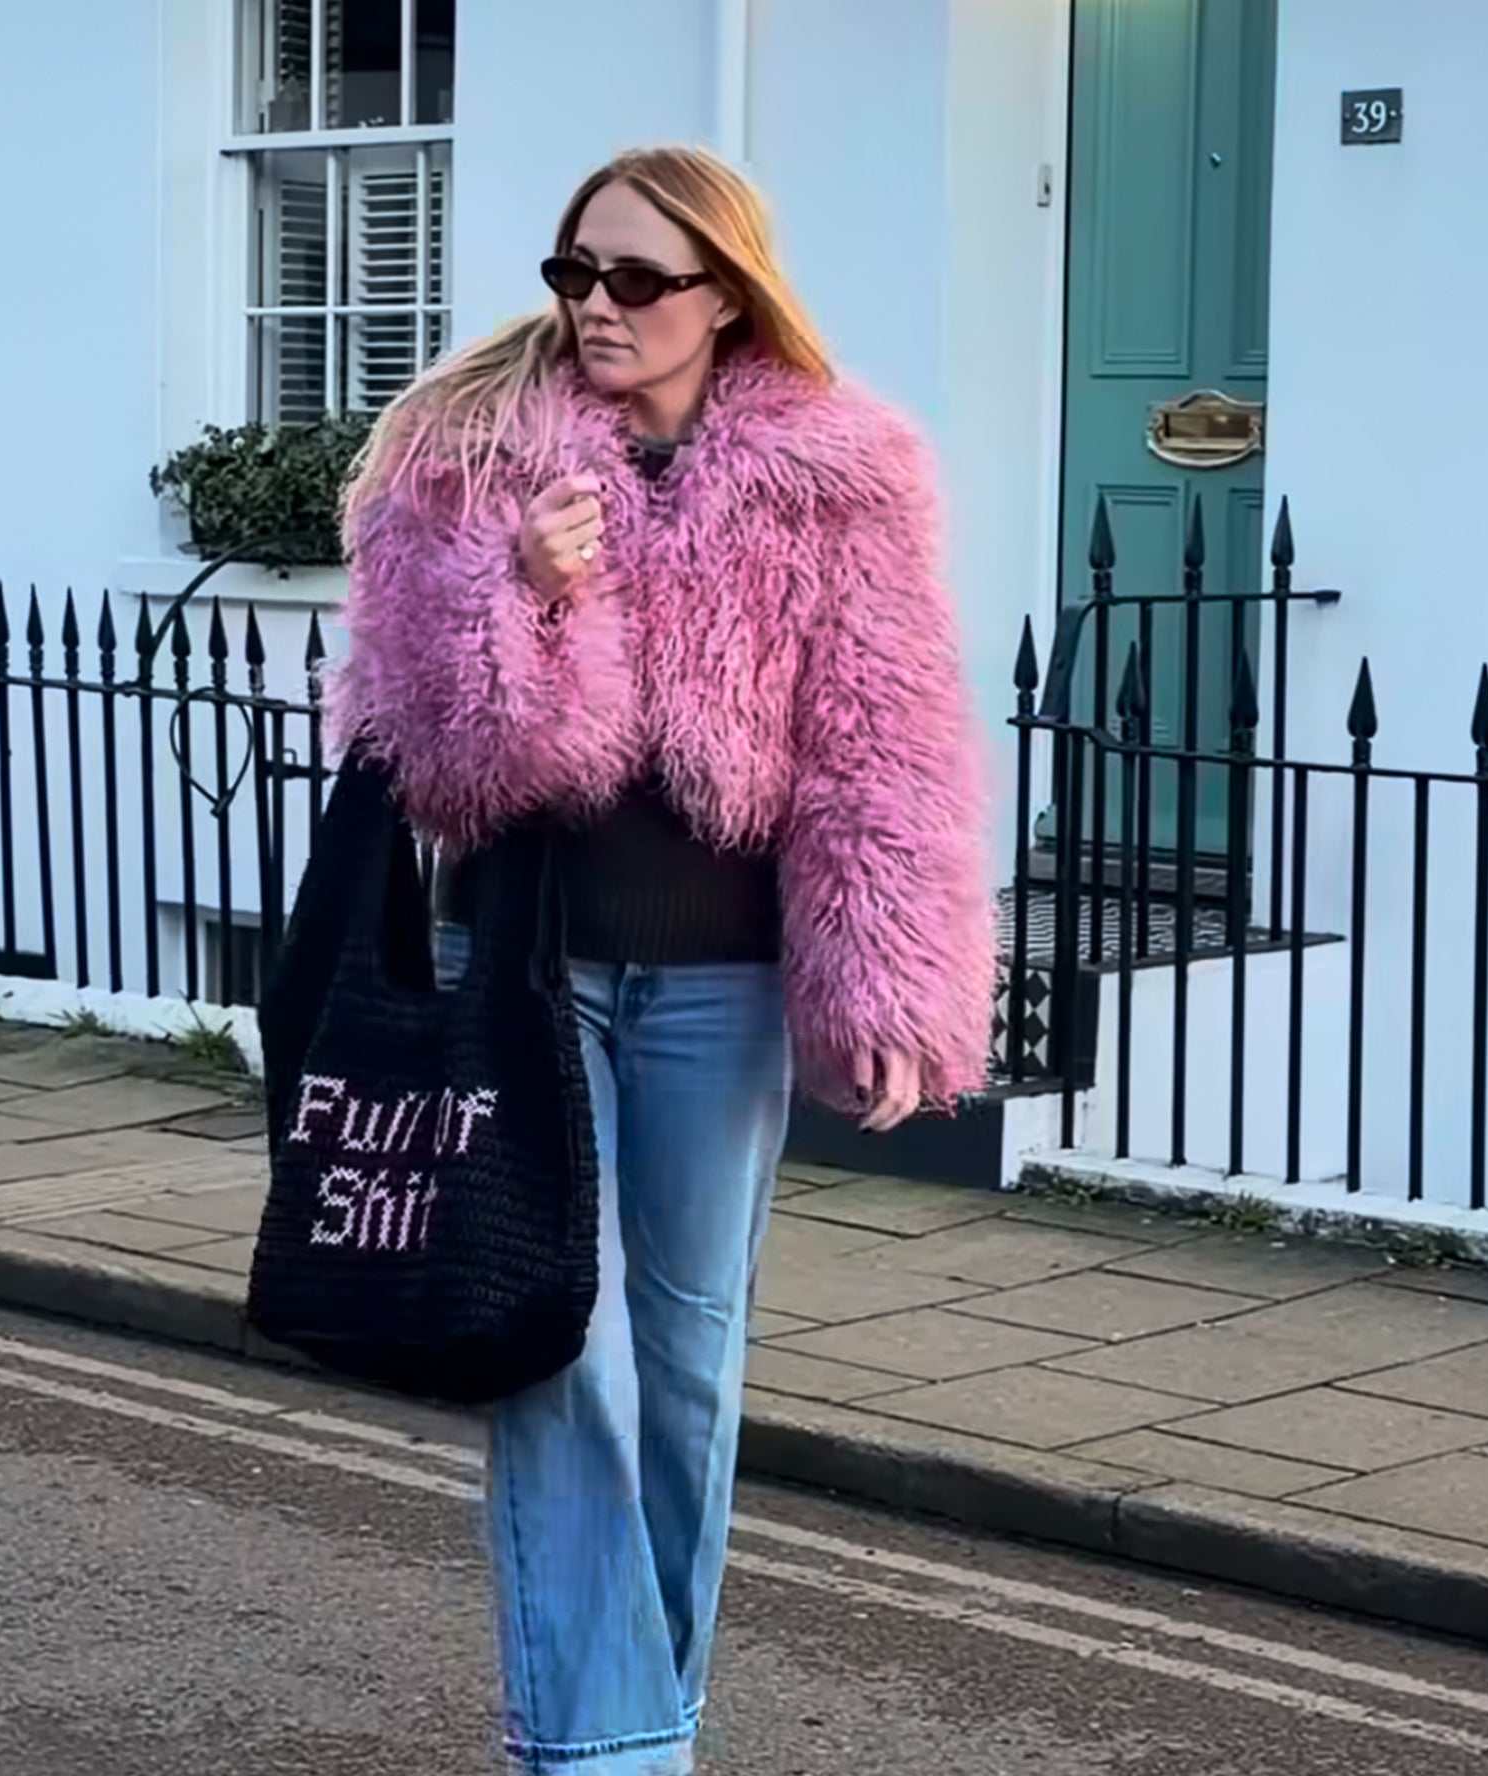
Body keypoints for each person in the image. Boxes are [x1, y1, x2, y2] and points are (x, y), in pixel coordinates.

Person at [329, 144, 993, 1776]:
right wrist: (522, 599)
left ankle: (641, 1721)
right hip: (530, 977)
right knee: (564, 1348)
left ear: (725, 294)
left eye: (638, 279)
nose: (599, 309)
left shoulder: (847, 474)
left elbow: (881, 741)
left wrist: (890, 982)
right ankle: (606, 1751)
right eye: (576, 275)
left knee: (688, 1369)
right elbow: (435, 761)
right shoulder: (466, 451)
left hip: (723, 989)